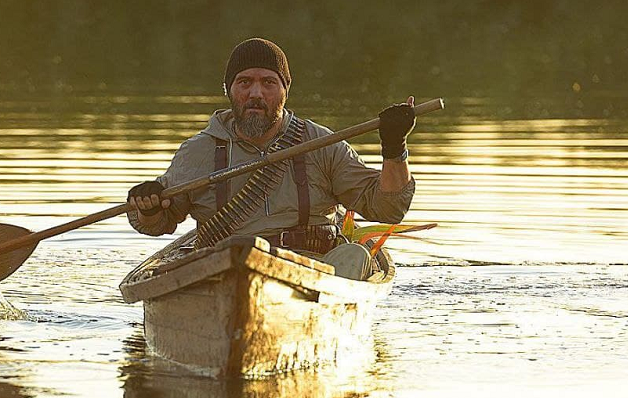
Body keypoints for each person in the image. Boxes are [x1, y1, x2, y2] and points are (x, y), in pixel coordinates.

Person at [127, 38, 416, 260]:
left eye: (268, 83)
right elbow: (159, 224)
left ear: (284, 91)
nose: (256, 94)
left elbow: (388, 208)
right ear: (229, 90)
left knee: (354, 258)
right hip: (219, 271)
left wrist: (394, 148)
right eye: (244, 82)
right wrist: (148, 207)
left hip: (312, 268)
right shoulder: (198, 151)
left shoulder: (322, 144)